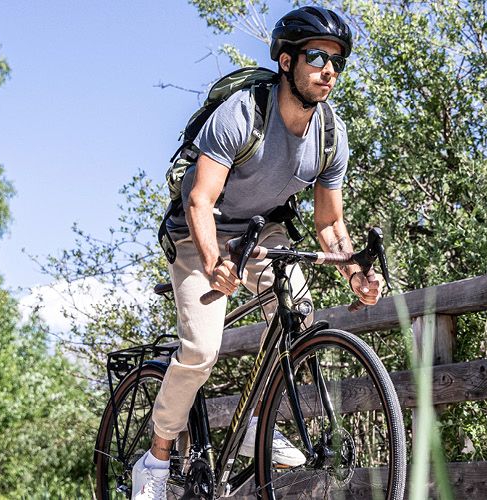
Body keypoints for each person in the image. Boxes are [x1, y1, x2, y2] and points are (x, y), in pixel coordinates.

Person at [130, 6, 384, 499]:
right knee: (201, 350)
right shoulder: (243, 113)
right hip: (198, 232)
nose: (328, 70)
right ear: (286, 62)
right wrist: (214, 261)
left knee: (298, 319)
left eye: (337, 61)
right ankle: (156, 460)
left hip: (262, 233)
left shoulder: (330, 135)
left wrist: (355, 273)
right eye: (316, 57)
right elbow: (199, 199)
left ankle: (253, 425)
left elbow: (329, 223)